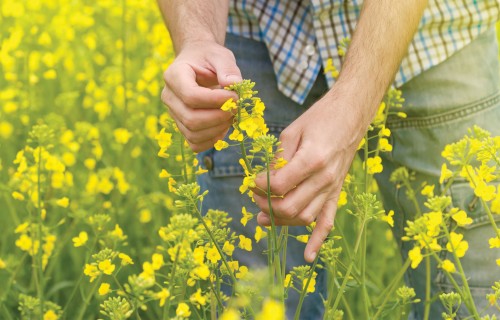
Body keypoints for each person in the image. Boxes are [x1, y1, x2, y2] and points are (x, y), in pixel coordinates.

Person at [157, 0, 500, 318]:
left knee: (478, 302)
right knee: (257, 303)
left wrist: (352, 107)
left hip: (433, 37)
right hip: (252, 39)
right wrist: (197, 38)